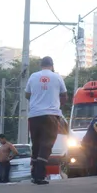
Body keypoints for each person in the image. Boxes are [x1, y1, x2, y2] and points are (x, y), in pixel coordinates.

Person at [25, 56, 68, 185]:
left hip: (34, 115)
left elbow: (27, 94)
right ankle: (39, 175)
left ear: (40, 65)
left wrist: (37, 100)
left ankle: (34, 174)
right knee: (47, 144)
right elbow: (64, 95)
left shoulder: (33, 76)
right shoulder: (57, 77)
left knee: (36, 144)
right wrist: (58, 105)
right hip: (51, 115)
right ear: (52, 65)